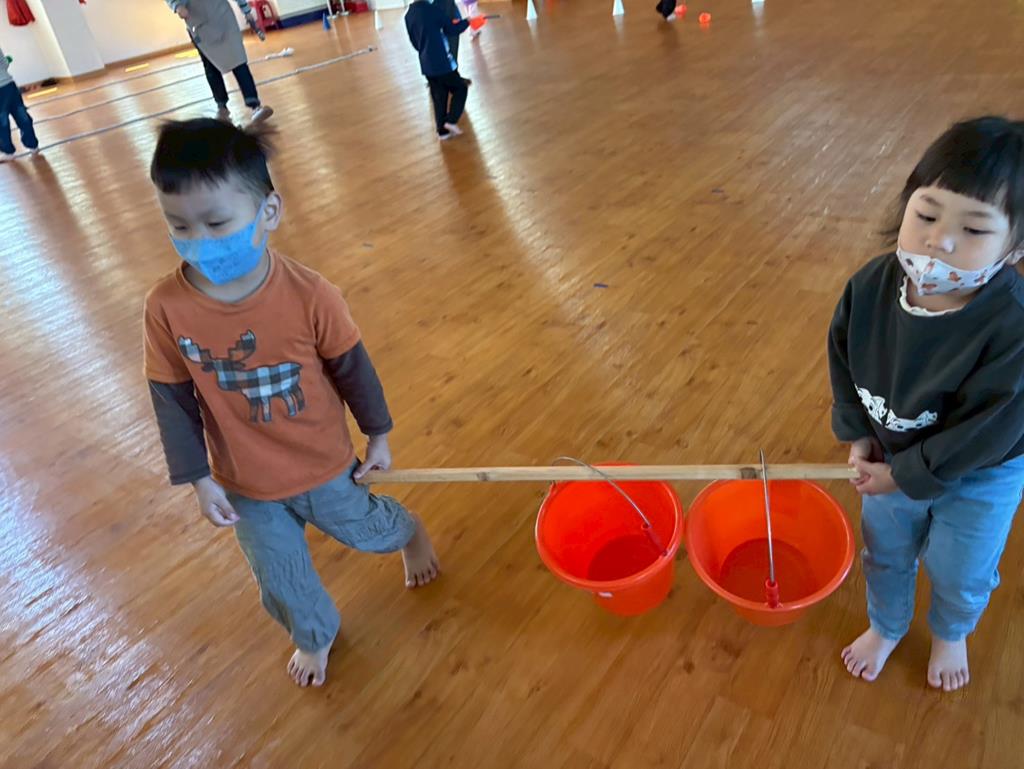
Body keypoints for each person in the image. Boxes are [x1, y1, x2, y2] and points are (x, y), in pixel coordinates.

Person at [143, 119, 438, 688]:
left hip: (323, 463)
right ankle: (313, 633)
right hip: (245, 482)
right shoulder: (165, 308)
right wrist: (198, 478)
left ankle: (409, 533)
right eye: (178, 225)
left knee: (367, 529)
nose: (199, 240)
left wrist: (378, 435)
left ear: (269, 212)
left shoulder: (310, 294)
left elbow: (353, 369)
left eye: (217, 223)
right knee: (278, 573)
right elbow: (171, 399)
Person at [828, 116, 1024, 692]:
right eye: (928, 214)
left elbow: (989, 429)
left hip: (981, 472)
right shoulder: (870, 286)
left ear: (1015, 246)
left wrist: (904, 475)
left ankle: (951, 631)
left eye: (974, 228)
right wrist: (858, 434)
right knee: (886, 550)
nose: (939, 240)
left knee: (960, 568)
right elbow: (843, 358)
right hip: (892, 453)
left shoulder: (1012, 326)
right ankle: (887, 625)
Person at [165, 0, 273, 124]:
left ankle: (255, 105)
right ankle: (222, 108)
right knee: (211, 67)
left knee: (238, 60)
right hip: (199, 24)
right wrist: (177, 5)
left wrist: (246, 11)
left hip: (223, 17)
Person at [405, 0, 470, 141]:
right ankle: (451, 121)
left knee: (439, 97)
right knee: (460, 88)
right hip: (442, 62)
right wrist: (467, 22)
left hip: (426, 64)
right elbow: (451, 30)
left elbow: (414, 42)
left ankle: (442, 132)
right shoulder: (432, 10)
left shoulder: (409, 15)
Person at [0, 47, 40, 161]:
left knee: (2, 121)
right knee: (21, 115)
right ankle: (33, 145)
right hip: (10, 85)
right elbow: (4, 63)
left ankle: (8, 151)